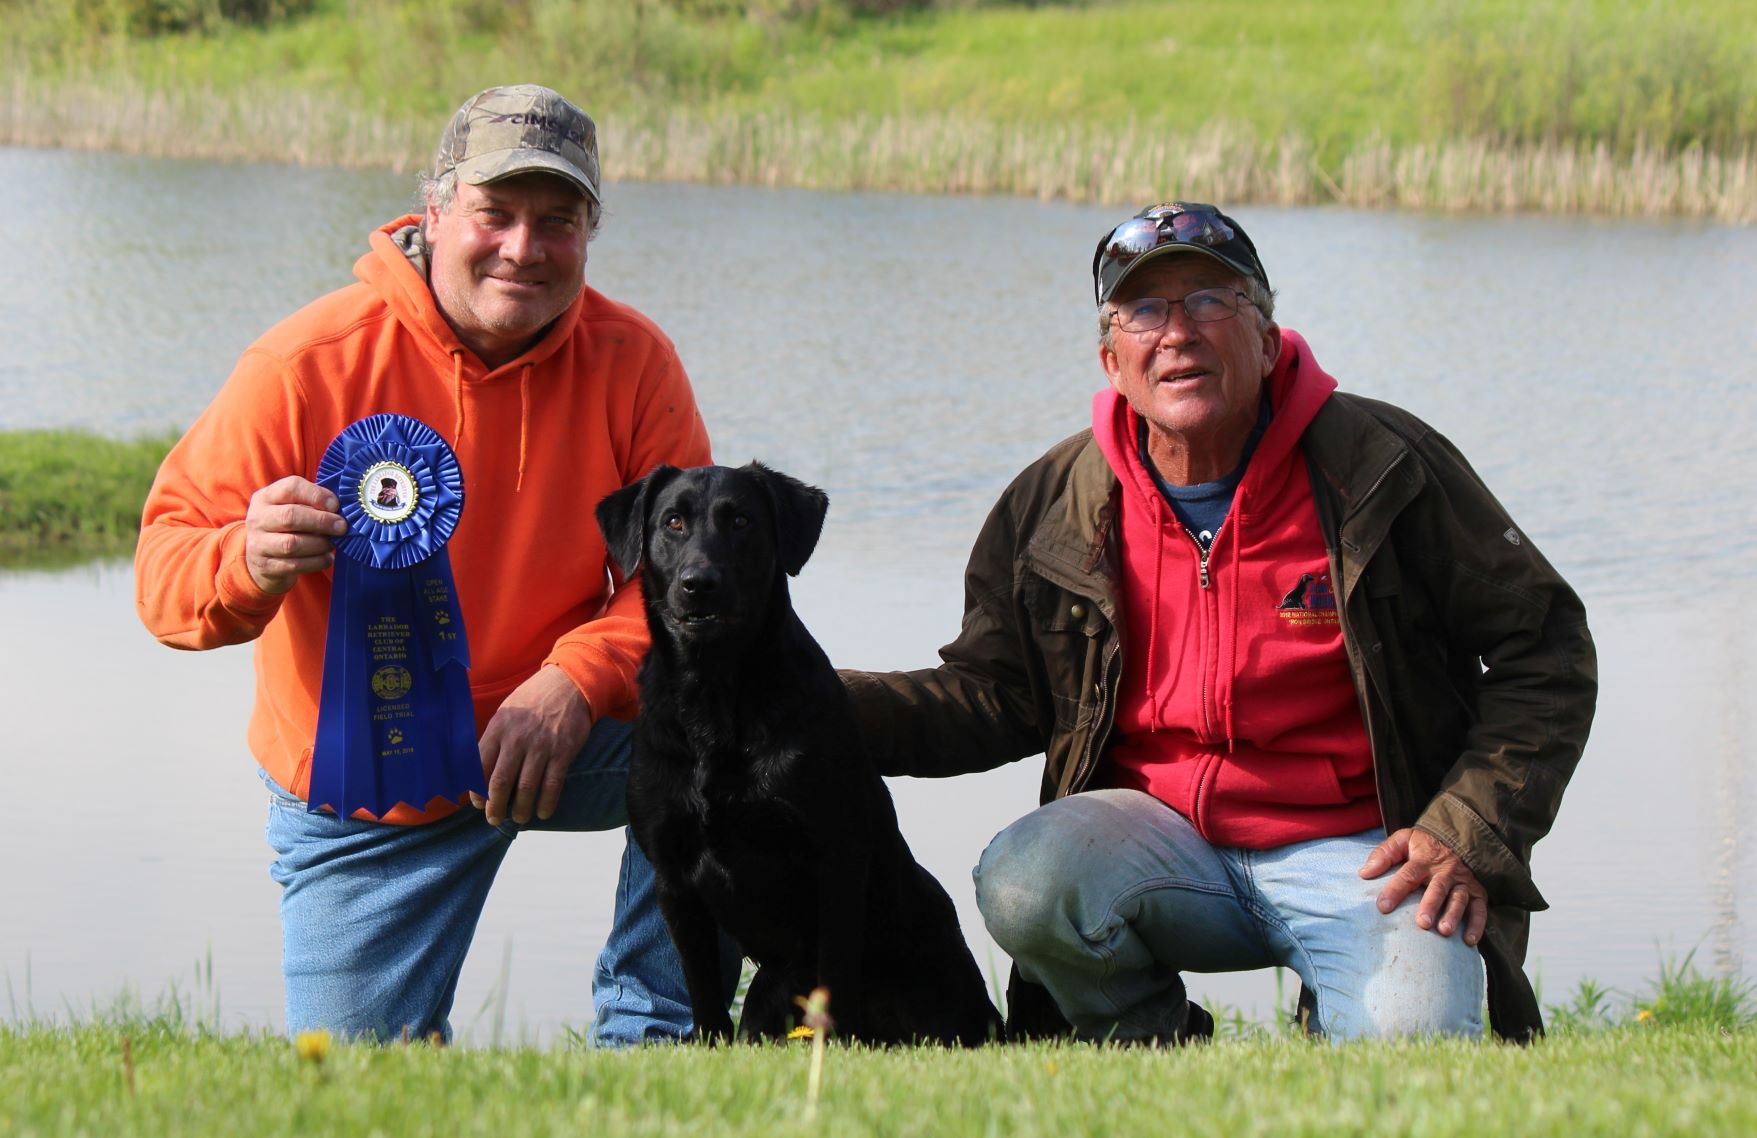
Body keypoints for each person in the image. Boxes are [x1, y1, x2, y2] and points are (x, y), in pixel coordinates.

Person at [843, 202, 1596, 1043]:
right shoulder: (1053, 499)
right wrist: (813, 702)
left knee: (1413, 1052)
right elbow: (998, 694)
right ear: (1111, 360)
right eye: (1144, 310)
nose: (1177, 333)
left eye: (1209, 300)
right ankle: (1150, 1038)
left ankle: (1341, 1013)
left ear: (1268, 337)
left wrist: (1467, 828)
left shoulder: (1386, 467)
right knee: (1023, 880)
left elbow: (1547, 650)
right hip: (1154, 843)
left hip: (1364, 856)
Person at [134, 85, 732, 1045]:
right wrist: (244, 560)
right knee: (359, 1090)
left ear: (591, 228)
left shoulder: (635, 362)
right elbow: (162, 576)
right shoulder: (306, 364)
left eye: (558, 221)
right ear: (438, 208)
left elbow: (693, 581)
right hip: (369, 785)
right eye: (495, 213)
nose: (523, 248)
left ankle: (657, 1038)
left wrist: (577, 678)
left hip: (562, 733)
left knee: (739, 720)